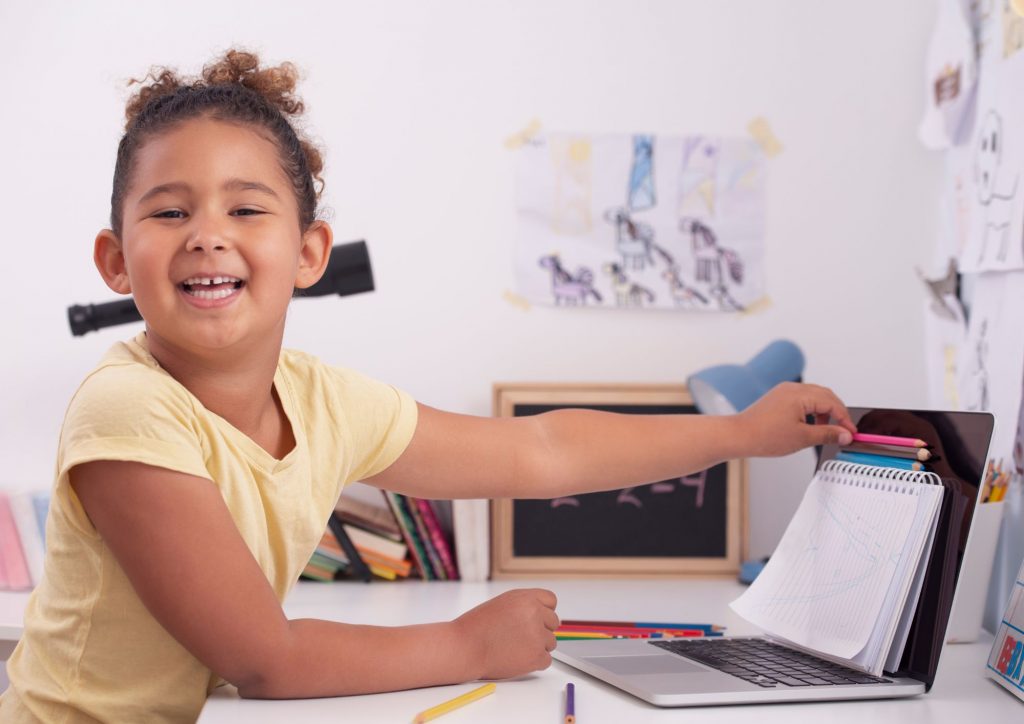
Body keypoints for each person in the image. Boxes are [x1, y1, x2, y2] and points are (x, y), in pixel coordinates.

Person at [0, 49, 856, 723]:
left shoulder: (327, 402)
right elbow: (264, 660)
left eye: (246, 209)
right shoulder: (130, 407)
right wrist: (469, 644)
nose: (207, 237)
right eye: (169, 211)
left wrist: (742, 434)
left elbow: (540, 449)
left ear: (308, 253)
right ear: (116, 260)